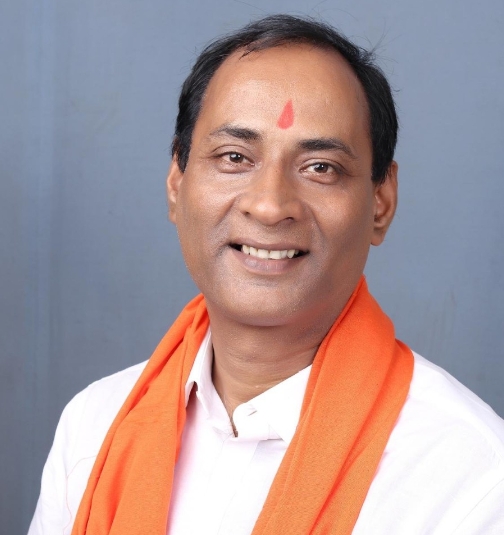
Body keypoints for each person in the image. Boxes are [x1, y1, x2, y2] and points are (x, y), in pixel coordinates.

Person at [29, 14, 504, 535]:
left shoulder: (471, 478)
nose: (271, 205)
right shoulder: (95, 428)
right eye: (235, 156)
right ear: (176, 183)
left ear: (381, 202)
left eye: (320, 167)